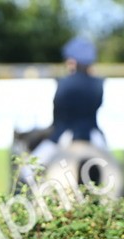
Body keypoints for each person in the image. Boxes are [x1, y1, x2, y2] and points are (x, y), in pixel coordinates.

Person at [20, 36, 106, 186]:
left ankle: (26, 201)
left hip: (64, 134)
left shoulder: (63, 82)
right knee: (112, 167)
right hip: (93, 134)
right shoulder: (99, 83)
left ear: (72, 61)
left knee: (26, 171)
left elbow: (59, 110)